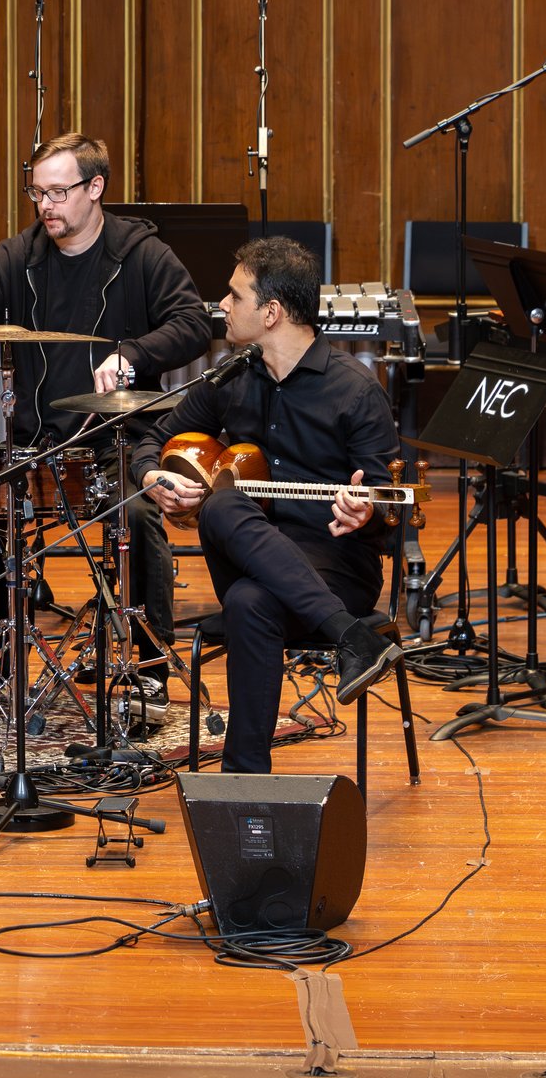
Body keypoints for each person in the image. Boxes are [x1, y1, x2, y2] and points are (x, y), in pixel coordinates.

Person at [0, 133, 210, 687]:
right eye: (36, 193)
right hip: (35, 445)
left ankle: (146, 667)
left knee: (140, 513)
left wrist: (135, 353)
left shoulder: (143, 255)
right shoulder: (18, 258)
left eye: (57, 192)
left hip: (118, 441)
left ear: (95, 188)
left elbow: (193, 323)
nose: (45, 205)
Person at [138, 237, 406, 773]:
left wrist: (368, 513)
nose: (222, 305)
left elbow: (393, 519)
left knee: (247, 603)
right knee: (223, 508)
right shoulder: (231, 376)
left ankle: (243, 780)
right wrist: (153, 473)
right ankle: (351, 638)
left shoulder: (356, 391)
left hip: (336, 568)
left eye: (234, 296)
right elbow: (153, 435)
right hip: (248, 553)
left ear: (271, 312)